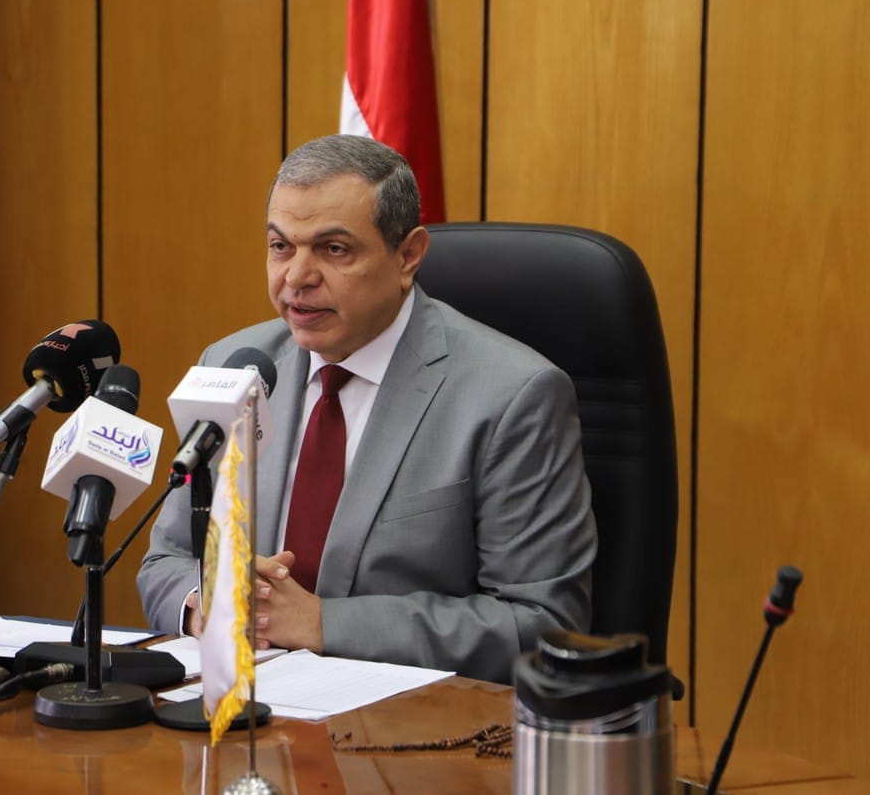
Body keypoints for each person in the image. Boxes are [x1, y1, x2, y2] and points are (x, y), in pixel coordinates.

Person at [136, 134, 596, 683]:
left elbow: (542, 625)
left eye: (334, 249)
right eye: (281, 246)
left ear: (408, 256)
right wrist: (204, 603)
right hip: (247, 704)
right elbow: (166, 559)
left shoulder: (512, 396)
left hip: (412, 721)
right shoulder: (235, 367)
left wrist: (324, 623)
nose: (296, 277)